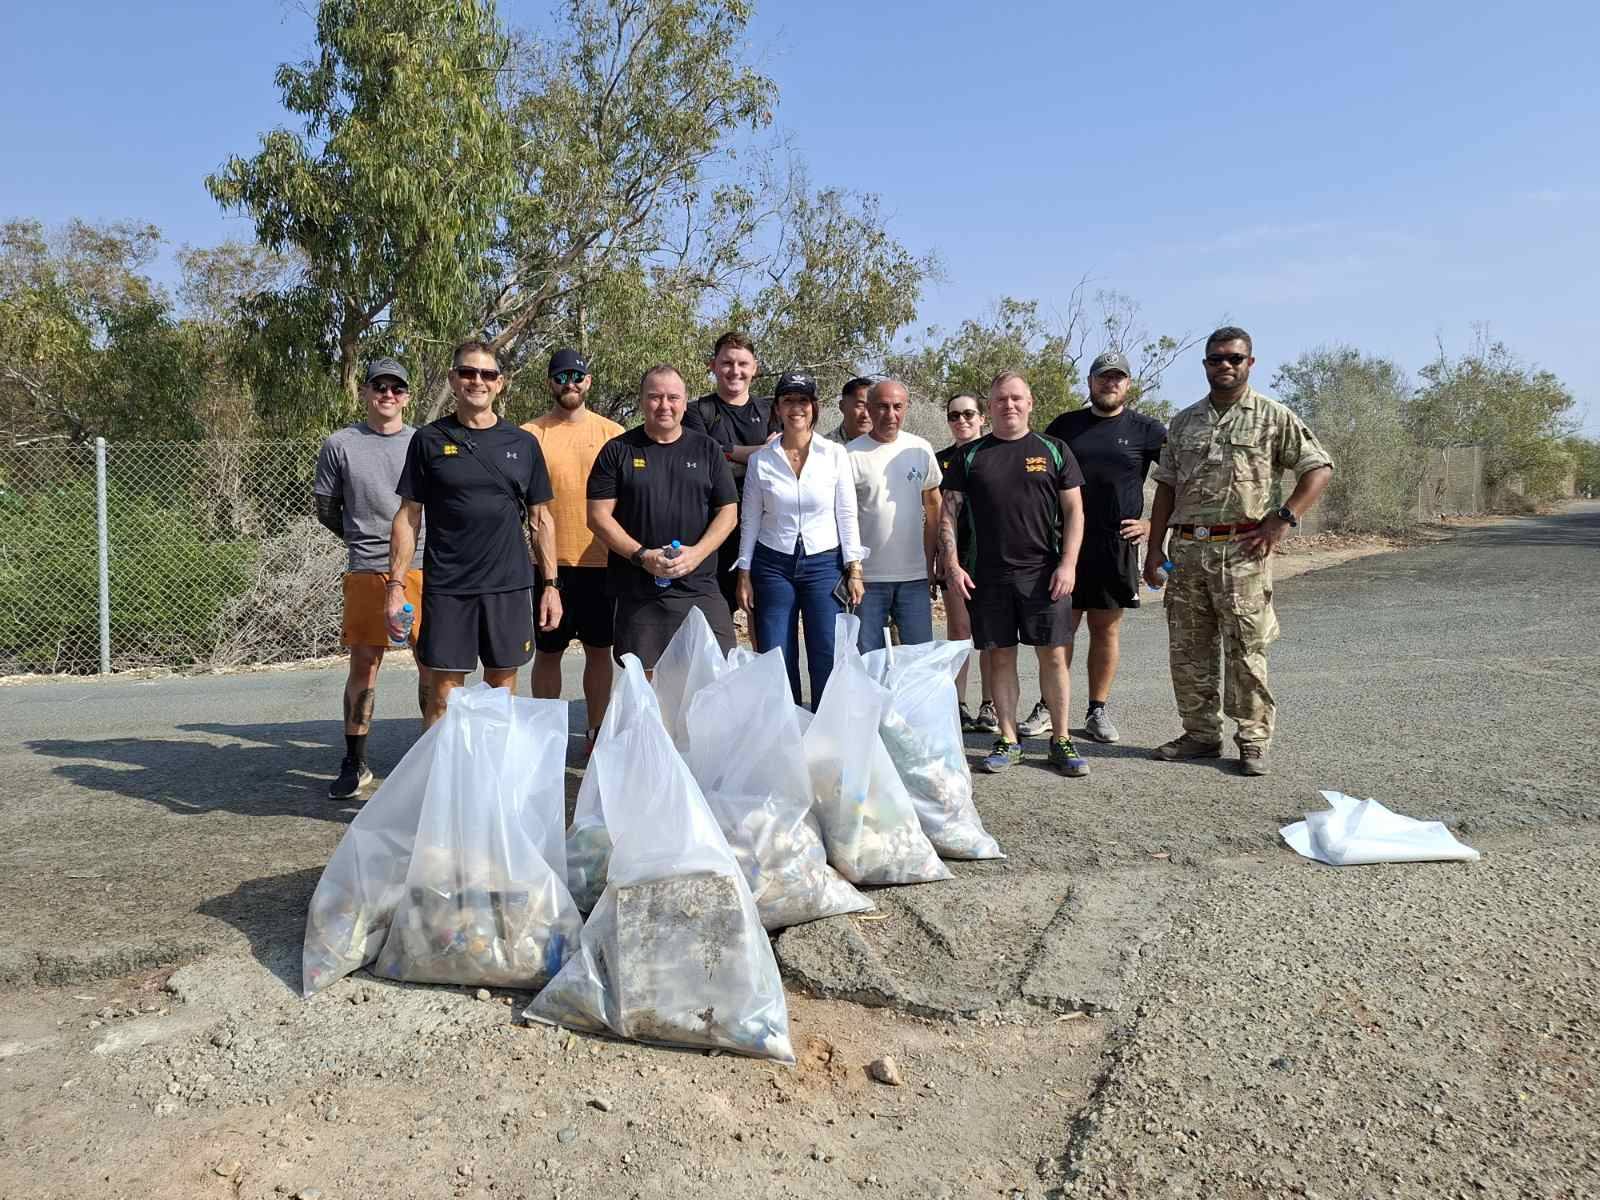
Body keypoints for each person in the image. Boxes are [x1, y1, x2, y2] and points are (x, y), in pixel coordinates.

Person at [1144, 327, 1332, 776]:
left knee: (1247, 647)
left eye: (1233, 358)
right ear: (1205, 364)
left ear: (1250, 362)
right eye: (1215, 359)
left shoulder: (1272, 415)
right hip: (1188, 549)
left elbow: (1318, 468)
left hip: (1243, 548)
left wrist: (1281, 520)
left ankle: (1252, 739)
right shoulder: (1185, 421)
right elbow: (1167, 486)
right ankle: (1200, 734)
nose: (1224, 366)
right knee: (1189, 649)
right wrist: (1154, 548)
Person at [386, 340, 562, 727]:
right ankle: (442, 783)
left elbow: (541, 519)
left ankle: (491, 782)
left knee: (501, 689)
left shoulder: (523, 443)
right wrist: (396, 587)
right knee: (444, 694)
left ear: (500, 383)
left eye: (486, 374)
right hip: (449, 587)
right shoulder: (428, 441)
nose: (476, 381)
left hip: (508, 586)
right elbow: (408, 516)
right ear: (453, 379)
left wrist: (550, 585)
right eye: (467, 372)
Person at [940, 371, 1089, 778]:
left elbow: (1075, 511)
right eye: (1000, 399)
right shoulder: (970, 456)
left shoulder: (1054, 449)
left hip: (1045, 574)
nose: (1009, 405)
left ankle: (1060, 739)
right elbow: (948, 514)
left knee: (1054, 656)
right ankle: (1008, 738)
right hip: (988, 577)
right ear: (989, 408)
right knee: (999, 656)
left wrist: (1069, 564)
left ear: (1030, 402)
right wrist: (951, 565)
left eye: (1016, 398)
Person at [314, 357, 430, 799]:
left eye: (396, 388)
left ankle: (432, 754)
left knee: (432, 663)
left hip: (423, 567)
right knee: (365, 664)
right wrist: (363, 541)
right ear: (363, 392)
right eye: (379, 386)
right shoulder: (340, 444)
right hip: (366, 568)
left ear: (407, 396)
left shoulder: (423, 441)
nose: (387, 395)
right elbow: (327, 508)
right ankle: (355, 761)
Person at [1043, 351, 1168, 743]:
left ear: (1128, 384)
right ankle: (1048, 707)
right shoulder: (1065, 425)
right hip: (1065, 546)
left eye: (1118, 378)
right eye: (1103, 377)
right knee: (1060, 627)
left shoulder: (1146, 429)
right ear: (1090, 382)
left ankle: (1097, 710)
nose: (1109, 383)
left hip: (1115, 546)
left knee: (1105, 630)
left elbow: (1177, 481)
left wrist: (1151, 524)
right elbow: (1040, 480)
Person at [587, 364, 740, 668]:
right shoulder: (617, 451)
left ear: (685, 402)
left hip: (700, 586)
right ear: (642, 400)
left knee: (716, 673)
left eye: (673, 397)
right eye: (655, 397)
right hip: (639, 589)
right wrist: (642, 555)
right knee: (647, 681)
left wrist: (697, 554)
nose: (665, 405)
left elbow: (729, 512)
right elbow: (597, 516)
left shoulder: (707, 449)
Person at [735, 371, 866, 705]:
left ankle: (826, 732)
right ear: (777, 408)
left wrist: (854, 569)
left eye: (803, 400)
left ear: (815, 407)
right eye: (788, 400)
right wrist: (745, 573)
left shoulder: (834, 454)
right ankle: (786, 732)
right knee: (776, 652)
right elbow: (749, 518)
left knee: (826, 650)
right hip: (772, 564)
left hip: (824, 562)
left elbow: (846, 513)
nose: (796, 408)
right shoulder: (761, 460)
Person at [522, 348, 624, 754]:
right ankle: (546, 738)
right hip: (549, 566)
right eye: (561, 376)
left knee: (601, 653)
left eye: (577, 376)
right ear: (550, 382)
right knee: (548, 653)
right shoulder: (531, 434)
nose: (570, 384)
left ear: (589, 382)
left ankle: (596, 732)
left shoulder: (613, 434)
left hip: (602, 562)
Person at [682, 331, 775, 619]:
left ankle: (763, 666)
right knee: (715, 619)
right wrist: (760, 453)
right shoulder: (698, 411)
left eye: (743, 364)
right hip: (715, 529)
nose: (735, 371)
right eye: (727, 363)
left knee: (762, 616)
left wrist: (727, 452)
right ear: (713, 365)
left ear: (754, 368)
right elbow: (704, 461)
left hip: (764, 528)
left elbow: (782, 463)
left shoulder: (771, 408)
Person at [848, 379, 942, 653]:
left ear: (906, 408)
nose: (891, 415)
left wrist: (931, 561)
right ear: (868, 409)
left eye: (897, 407)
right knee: (869, 660)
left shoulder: (921, 448)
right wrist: (852, 570)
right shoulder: (850, 454)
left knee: (918, 659)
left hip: (914, 578)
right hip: (867, 581)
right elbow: (844, 518)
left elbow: (934, 506)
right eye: (883, 407)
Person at [935, 393, 996, 732]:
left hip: (992, 557)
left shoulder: (996, 453)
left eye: (968, 414)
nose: (962, 421)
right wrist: (938, 556)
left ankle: (990, 705)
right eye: (954, 416)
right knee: (959, 632)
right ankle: (956, 703)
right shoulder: (940, 460)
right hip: (954, 556)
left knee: (989, 635)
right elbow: (932, 514)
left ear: (982, 417)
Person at [825, 377, 874, 444]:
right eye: (859, 406)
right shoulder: (825, 447)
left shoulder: (888, 446)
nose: (866, 414)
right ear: (842, 406)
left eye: (871, 406)